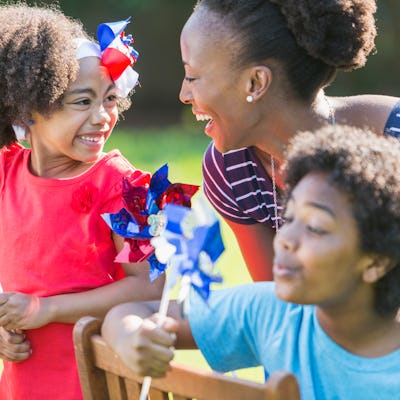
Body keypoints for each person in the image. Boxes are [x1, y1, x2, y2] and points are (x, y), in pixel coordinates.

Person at [101, 125, 400, 400]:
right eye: (290, 218)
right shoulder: (272, 313)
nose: (284, 238)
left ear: (375, 263)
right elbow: (132, 312)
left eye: (315, 227)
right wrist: (129, 335)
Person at [0, 4, 164, 399]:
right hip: (24, 382)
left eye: (109, 99)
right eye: (82, 102)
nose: (102, 117)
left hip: (96, 381)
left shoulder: (128, 188)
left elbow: (153, 288)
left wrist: (47, 310)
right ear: (28, 109)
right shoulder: (6, 172)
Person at [178, 0, 400, 281]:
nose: (184, 95)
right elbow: (276, 301)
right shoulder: (229, 171)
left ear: (256, 83)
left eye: (192, 76)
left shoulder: (394, 137)